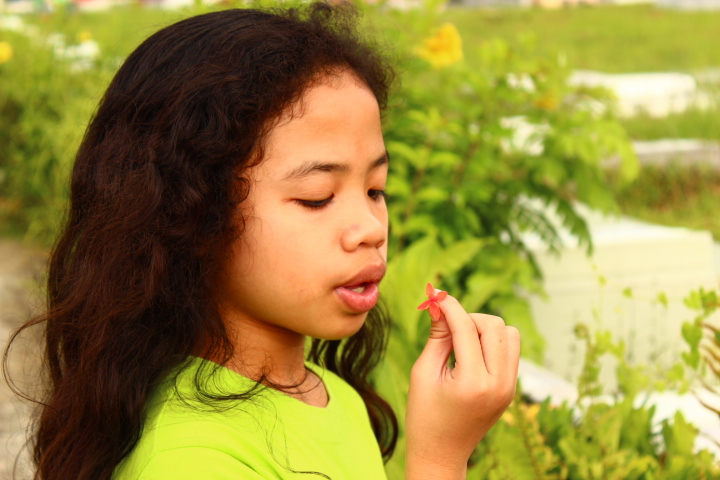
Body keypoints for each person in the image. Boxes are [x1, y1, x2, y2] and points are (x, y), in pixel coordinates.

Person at [5, 3, 520, 479]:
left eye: (375, 189)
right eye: (318, 197)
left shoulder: (328, 394)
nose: (370, 227)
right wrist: (440, 456)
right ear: (189, 214)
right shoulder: (193, 460)